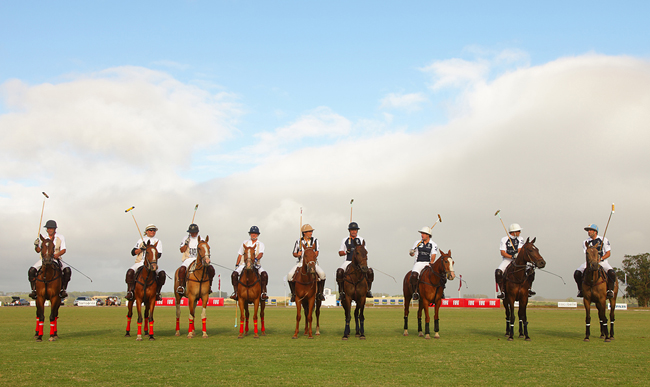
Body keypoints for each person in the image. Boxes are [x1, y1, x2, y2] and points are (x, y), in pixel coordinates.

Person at [29, 220, 71, 299]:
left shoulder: (60, 237)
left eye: (51, 228)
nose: (49, 230)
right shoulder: (43, 238)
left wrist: (57, 255)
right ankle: (33, 290)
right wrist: (36, 245)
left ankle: (63, 289)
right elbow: (38, 250)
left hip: (56, 258)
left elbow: (63, 250)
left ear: (55, 229)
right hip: (44, 259)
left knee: (67, 271)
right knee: (31, 271)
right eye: (48, 228)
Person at [124, 224, 166, 301]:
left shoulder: (158, 241)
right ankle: (130, 291)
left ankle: (157, 293)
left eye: (154, 230)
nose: (152, 232)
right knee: (129, 272)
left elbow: (159, 254)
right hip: (140, 262)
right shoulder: (141, 240)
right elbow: (133, 252)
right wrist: (141, 249)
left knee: (162, 274)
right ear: (146, 231)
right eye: (151, 230)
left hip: (152, 263)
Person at [574, 224, 616, 299]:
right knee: (577, 273)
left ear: (595, 232)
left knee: (612, 273)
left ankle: (610, 290)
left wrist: (601, 258)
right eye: (588, 230)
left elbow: (608, 253)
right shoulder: (585, 242)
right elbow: (587, 254)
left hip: (602, 262)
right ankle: (581, 290)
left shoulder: (604, 240)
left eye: (590, 230)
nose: (589, 232)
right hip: (590, 262)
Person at [287, 224, 326, 302]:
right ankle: (293, 294)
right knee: (289, 275)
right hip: (300, 263)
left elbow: (317, 252)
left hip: (312, 263)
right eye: (309, 231)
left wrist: (311, 254)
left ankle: (320, 293)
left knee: (322, 274)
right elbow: (294, 253)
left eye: (311, 231)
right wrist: (298, 254)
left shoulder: (315, 240)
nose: (311, 233)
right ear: (304, 233)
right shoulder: (299, 241)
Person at [495, 223, 535, 299]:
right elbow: (502, 252)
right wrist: (511, 256)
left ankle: (529, 288)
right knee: (498, 272)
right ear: (514, 232)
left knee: (531, 270)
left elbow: (520, 249)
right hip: (507, 260)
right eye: (519, 231)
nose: (520, 232)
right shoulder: (504, 239)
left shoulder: (520, 239)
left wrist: (517, 255)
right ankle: (502, 291)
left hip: (518, 260)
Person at [337, 222, 373, 300]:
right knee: (339, 272)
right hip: (348, 261)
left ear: (357, 231)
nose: (354, 231)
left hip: (359, 263)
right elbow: (340, 252)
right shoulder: (345, 240)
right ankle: (341, 292)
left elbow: (365, 251)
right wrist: (346, 252)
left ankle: (368, 290)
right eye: (352, 230)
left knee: (370, 272)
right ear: (349, 231)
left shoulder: (361, 239)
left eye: (355, 230)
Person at [231, 226, 269, 301]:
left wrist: (255, 259)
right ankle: (236, 292)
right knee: (234, 274)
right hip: (243, 264)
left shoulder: (260, 244)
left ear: (258, 234)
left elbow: (261, 254)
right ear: (250, 234)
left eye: (255, 233)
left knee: (264, 274)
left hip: (256, 264)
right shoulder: (245, 243)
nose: (253, 235)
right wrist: (236, 264)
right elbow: (240, 254)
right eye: (252, 233)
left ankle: (263, 293)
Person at [176, 224, 215, 296]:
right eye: (191, 232)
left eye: (194, 232)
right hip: (188, 259)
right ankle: (181, 286)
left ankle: (209, 286)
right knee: (181, 270)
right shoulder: (185, 238)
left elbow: (205, 250)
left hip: (199, 260)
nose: (193, 234)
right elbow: (182, 250)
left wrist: (206, 258)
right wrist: (186, 243)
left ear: (197, 232)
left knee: (211, 269)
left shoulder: (202, 239)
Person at [407, 226, 439, 301]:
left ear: (428, 235)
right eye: (421, 233)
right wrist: (411, 253)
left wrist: (431, 262)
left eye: (423, 234)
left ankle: (439, 292)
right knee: (414, 276)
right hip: (418, 263)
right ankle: (415, 292)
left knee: (437, 276)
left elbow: (433, 255)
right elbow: (413, 253)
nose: (422, 235)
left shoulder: (433, 244)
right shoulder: (417, 243)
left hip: (428, 263)